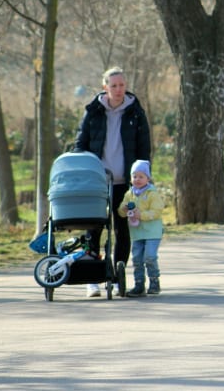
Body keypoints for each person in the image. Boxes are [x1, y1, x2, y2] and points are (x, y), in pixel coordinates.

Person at [74, 66, 151, 298]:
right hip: (97, 183)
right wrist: (84, 169)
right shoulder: (93, 112)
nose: (119, 90)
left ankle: (118, 278)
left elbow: (144, 149)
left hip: (125, 185)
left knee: (122, 229)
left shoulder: (135, 113)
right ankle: (92, 279)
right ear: (105, 87)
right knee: (93, 228)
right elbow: (81, 144)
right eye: (114, 85)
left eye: (122, 85)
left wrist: (143, 178)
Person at [117, 160, 165, 297]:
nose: (137, 179)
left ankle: (154, 281)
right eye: (134, 176)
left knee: (149, 256)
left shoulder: (152, 193)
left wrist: (141, 215)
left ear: (147, 178)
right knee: (137, 259)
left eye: (141, 176)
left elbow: (157, 211)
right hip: (137, 233)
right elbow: (121, 211)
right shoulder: (129, 194)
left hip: (152, 232)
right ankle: (139, 284)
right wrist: (124, 209)